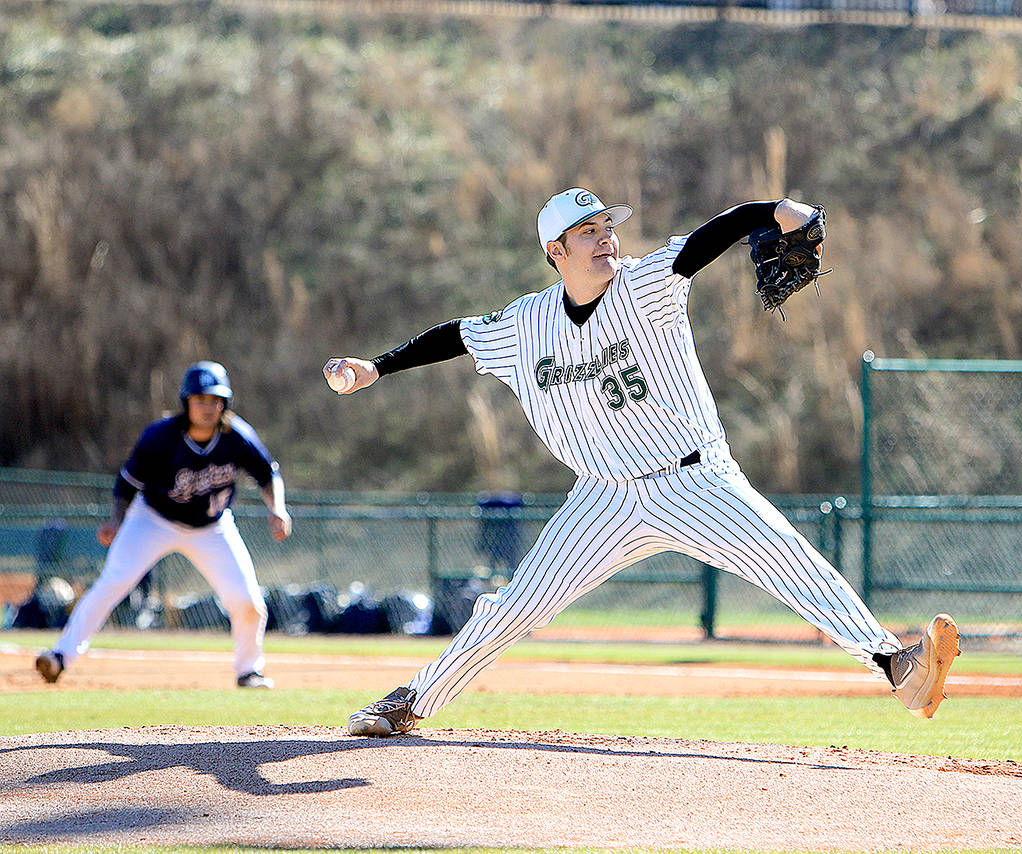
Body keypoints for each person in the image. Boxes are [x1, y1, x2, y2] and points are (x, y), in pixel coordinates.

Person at [325, 187, 961, 736]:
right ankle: (413, 699)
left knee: (788, 561)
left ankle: (896, 666)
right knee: (519, 604)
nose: (606, 241)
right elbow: (456, 335)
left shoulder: (648, 285)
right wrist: (374, 367)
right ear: (556, 252)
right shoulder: (526, 323)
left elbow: (709, 239)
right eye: (587, 234)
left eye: (608, 229)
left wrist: (774, 211)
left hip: (692, 478)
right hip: (602, 496)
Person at [35, 361, 292, 689]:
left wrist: (278, 509)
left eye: (215, 400)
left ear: (224, 404)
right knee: (114, 582)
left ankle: (248, 671)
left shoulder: (237, 436)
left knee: (248, 601)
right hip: (153, 520)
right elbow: (127, 483)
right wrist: (116, 521)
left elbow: (269, 475)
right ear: (186, 402)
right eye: (200, 399)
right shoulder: (161, 437)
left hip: (212, 528)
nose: (208, 407)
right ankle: (60, 657)